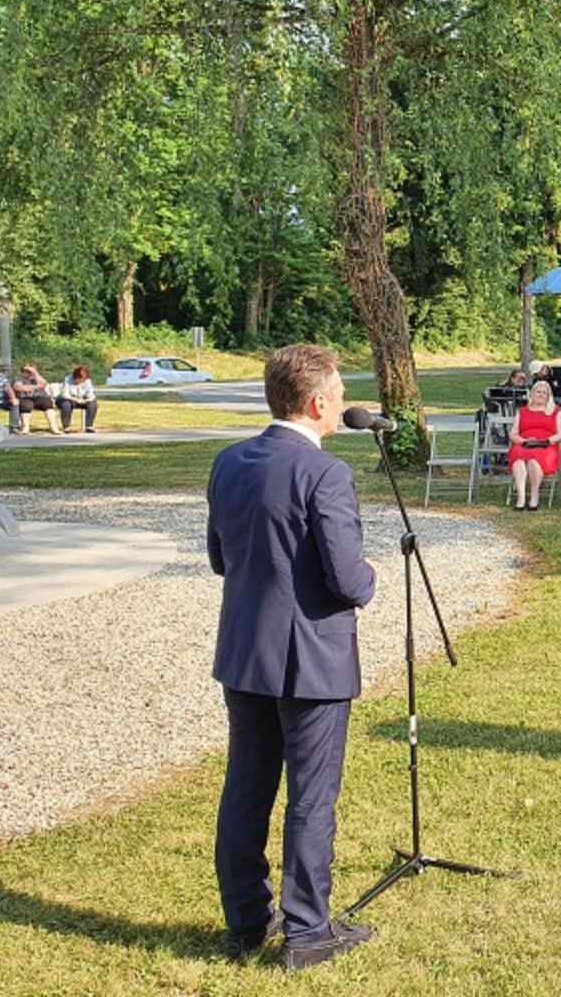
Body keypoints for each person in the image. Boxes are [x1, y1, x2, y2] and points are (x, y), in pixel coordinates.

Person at [207, 344, 377, 971]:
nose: (339, 406)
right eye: (336, 395)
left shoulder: (229, 462)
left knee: (246, 789)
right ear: (317, 402)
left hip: (246, 651)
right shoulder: (323, 473)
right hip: (312, 658)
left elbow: (221, 558)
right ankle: (308, 932)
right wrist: (371, 578)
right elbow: (344, 577)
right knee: (310, 795)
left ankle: (246, 924)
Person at [508, 380, 561, 511]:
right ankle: (521, 497)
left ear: (549, 396)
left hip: (546, 445)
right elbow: (513, 432)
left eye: (544, 393)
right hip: (524, 443)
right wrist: (521, 440)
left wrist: (547, 441)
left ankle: (534, 495)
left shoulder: (555, 411)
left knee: (535, 459)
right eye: (538, 392)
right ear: (532, 394)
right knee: (518, 458)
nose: (540, 395)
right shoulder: (522, 411)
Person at [11, 363, 62, 434]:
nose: (29, 373)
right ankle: (26, 428)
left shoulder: (37, 377)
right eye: (27, 371)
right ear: (23, 371)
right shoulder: (18, 378)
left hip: (40, 397)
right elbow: (19, 388)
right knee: (26, 406)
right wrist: (37, 386)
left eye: (30, 371)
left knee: (47, 403)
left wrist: (35, 373)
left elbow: (44, 383)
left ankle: (54, 428)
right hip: (25, 397)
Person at [56, 364, 99, 432]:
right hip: (67, 399)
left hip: (81, 399)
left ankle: (89, 426)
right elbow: (65, 395)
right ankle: (66, 427)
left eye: (83, 379)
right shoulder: (67, 379)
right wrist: (76, 400)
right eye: (80, 379)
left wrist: (87, 400)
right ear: (75, 376)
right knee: (66, 404)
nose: (81, 381)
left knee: (93, 403)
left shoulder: (88, 381)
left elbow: (91, 395)